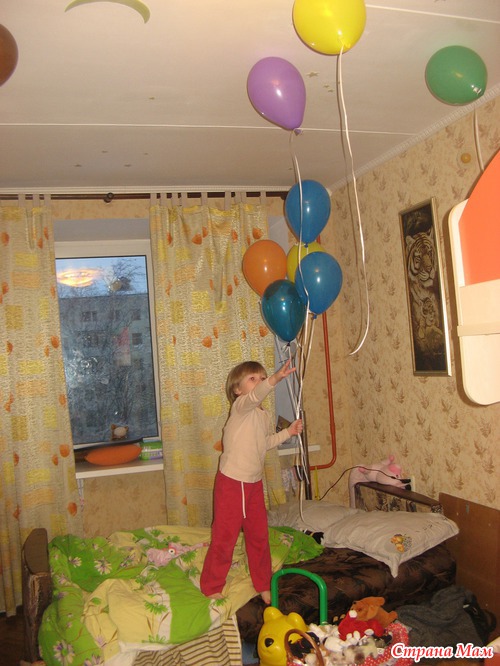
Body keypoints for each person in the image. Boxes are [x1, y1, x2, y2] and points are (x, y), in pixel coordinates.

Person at [200, 359, 303, 604]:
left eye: (262, 378)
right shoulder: (241, 407)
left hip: (254, 484)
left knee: (259, 536)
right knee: (224, 537)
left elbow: (264, 443)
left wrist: (288, 432)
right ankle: (211, 585)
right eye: (252, 379)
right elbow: (256, 396)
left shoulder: (262, 415)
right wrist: (275, 379)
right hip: (231, 483)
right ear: (237, 390)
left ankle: (263, 583)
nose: (259, 382)